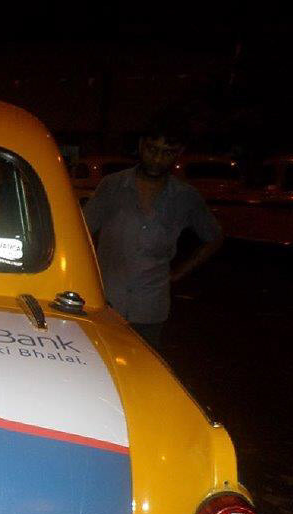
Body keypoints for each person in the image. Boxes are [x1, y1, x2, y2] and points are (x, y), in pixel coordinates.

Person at [83, 122, 223, 349]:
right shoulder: (112, 186)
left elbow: (214, 237)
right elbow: (84, 230)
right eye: (152, 149)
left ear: (179, 153)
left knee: (142, 366)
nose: (157, 159)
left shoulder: (185, 197)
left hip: (149, 309)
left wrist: (177, 274)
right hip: (105, 303)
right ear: (141, 145)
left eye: (167, 153)